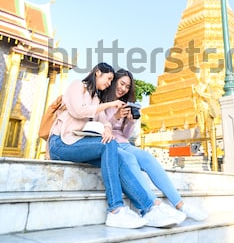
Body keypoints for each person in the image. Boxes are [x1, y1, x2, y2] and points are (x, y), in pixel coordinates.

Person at [48, 62, 178, 229]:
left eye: (111, 80)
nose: (109, 83)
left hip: (79, 144)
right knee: (109, 145)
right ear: (97, 73)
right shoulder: (77, 87)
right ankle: (116, 209)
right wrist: (110, 104)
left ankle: (149, 208)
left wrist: (108, 128)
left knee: (121, 155)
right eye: (109, 79)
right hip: (61, 143)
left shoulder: (96, 98)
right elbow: (79, 111)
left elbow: (104, 122)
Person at [104, 69, 209, 222]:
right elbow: (101, 126)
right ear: (113, 81)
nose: (123, 89)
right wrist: (115, 117)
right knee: (130, 161)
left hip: (124, 143)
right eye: (121, 84)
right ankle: (155, 205)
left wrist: (131, 121)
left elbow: (125, 135)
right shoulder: (102, 101)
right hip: (110, 146)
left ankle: (180, 204)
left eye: (127, 87)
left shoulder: (124, 104)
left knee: (147, 158)